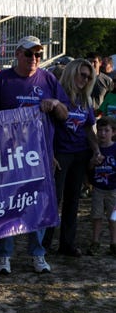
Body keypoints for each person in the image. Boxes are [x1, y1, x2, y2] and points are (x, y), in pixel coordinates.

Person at [0, 35, 69, 274]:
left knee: (37, 205)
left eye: (38, 54)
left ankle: (38, 254)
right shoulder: (3, 79)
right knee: (8, 205)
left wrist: (54, 103)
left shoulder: (48, 79)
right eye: (29, 54)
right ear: (18, 54)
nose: (34, 58)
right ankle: (4, 255)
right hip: (9, 155)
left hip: (39, 155)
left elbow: (65, 114)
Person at [42, 59, 100, 257]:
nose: (85, 79)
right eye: (82, 74)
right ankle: (44, 245)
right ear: (72, 72)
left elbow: (88, 128)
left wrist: (97, 150)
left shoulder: (85, 100)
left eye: (88, 77)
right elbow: (45, 127)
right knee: (54, 199)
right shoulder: (58, 95)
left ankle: (67, 243)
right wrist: (48, 153)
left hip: (80, 154)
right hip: (60, 154)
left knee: (73, 201)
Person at [87, 116, 116, 256]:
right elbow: (88, 169)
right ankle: (95, 242)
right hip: (98, 189)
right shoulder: (94, 148)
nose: (103, 133)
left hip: (113, 190)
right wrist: (93, 162)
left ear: (113, 132)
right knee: (96, 216)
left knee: (114, 217)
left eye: (107, 130)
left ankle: (114, 243)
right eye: (100, 130)